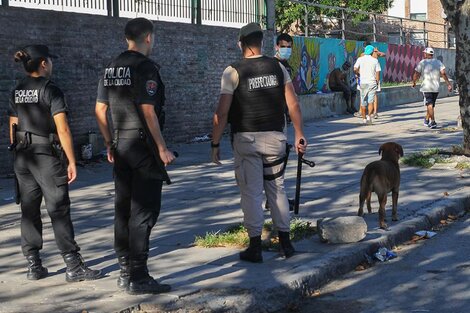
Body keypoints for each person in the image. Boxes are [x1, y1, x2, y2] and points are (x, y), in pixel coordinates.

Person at [211, 23, 307, 263]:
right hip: (276, 138)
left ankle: (255, 247)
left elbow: (221, 113)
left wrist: (214, 144)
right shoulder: (277, 67)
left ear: (241, 43)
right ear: (261, 43)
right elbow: (293, 104)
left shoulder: (233, 71)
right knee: (277, 190)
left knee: (252, 194)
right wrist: (299, 134)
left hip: (246, 141)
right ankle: (286, 243)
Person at [8, 45, 102, 282]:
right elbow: (63, 128)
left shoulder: (17, 90)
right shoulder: (51, 90)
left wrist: (17, 153)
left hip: (22, 156)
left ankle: (33, 265)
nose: (52, 64)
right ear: (43, 63)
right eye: (50, 61)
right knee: (58, 210)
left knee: (29, 211)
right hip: (45, 156)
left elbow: (12, 125)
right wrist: (72, 160)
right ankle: (73, 266)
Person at [95, 18, 175, 295]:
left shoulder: (111, 67)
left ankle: (124, 270)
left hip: (120, 145)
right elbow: (148, 110)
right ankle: (139, 276)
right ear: (148, 37)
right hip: (143, 147)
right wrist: (162, 147)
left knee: (123, 208)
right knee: (143, 211)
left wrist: (109, 142)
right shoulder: (145, 67)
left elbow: (99, 110)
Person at [412, 47, 452, 129]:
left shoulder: (422, 62)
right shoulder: (438, 62)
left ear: (426, 54)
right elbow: (443, 73)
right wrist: (448, 84)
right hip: (435, 87)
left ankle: (432, 121)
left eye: (424, 53)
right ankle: (426, 119)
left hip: (426, 87)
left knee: (429, 104)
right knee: (431, 105)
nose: (424, 54)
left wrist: (414, 82)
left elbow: (416, 73)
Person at [354, 45, 381, 125]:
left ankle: (364, 119)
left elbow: (355, 69)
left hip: (363, 83)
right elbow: (377, 73)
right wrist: (377, 82)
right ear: (372, 52)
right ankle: (369, 116)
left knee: (363, 101)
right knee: (370, 101)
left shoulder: (360, 59)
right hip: (372, 83)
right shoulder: (375, 61)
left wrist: (358, 74)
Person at [274, 33, 293, 124]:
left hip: (285, 110)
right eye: (283, 46)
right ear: (277, 47)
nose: (286, 49)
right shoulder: (273, 64)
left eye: (289, 47)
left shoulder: (287, 64)